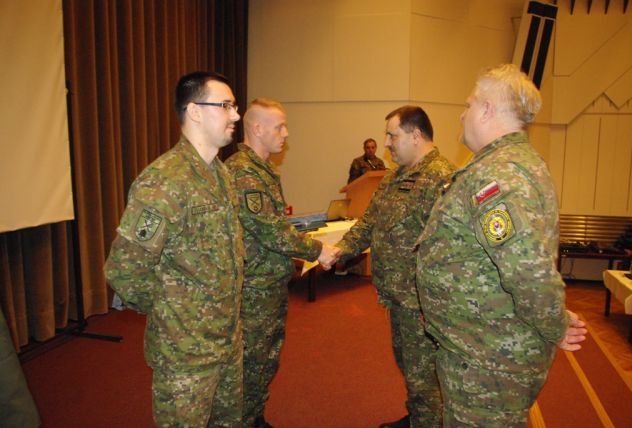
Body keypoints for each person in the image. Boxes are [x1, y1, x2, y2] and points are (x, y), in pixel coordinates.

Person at [415, 64, 588, 427]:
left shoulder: (497, 174)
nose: (462, 114)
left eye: (468, 105)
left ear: (487, 109)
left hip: (488, 361)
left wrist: (554, 323)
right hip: (483, 349)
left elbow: (527, 270)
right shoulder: (509, 163)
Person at [104, 71, 245, 427]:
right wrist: (172, 311)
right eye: (226, 105)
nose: (236, 114)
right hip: (186, 353)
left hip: (227, 339)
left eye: (234, 106)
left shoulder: (220, 174)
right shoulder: (165, 180)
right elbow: (124, 269)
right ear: (194, 111)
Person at [335, 106, 456, 428]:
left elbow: (453, 251)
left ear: (415, 135)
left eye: (392, 135)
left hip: (422, 303)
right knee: (409, 366)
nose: (386, 143)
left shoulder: (442, 178)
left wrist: (435, 304)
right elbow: (369, 223)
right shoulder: (394, 176)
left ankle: (428, 422)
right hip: (397, 298)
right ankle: (418, 417)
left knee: (424, 374)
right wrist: (339, 251)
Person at [225, 98, 339, 428]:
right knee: (250, 363)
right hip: (253, 290)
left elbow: (275, 225)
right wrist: (317, 250)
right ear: (257, 129)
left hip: (269, 285)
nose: (286, 133)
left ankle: (254, 417)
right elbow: (269, 230)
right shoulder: (244, 172)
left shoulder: (264, 170)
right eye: (279, 127)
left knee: (265, 361)